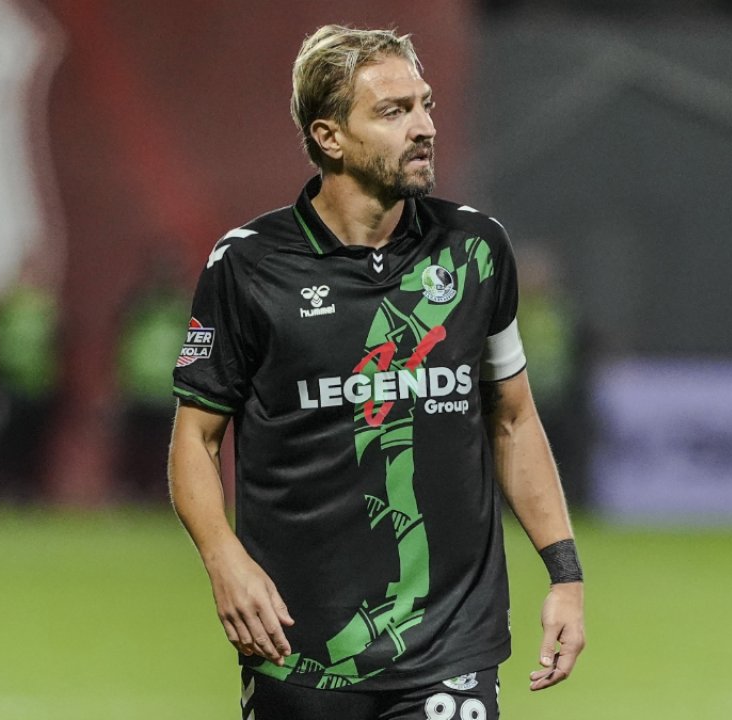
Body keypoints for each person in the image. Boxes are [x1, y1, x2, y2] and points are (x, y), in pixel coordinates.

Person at [168, 25, 585, 720]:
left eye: (424, 105)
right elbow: (196, 438)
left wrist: (564, 574)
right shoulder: (248, 266)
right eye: (393, 112)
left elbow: (513, 420)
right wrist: (223, 558)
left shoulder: (475, 251)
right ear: (329, 137)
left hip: (451, 642)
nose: (423, 127)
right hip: (299, 644)